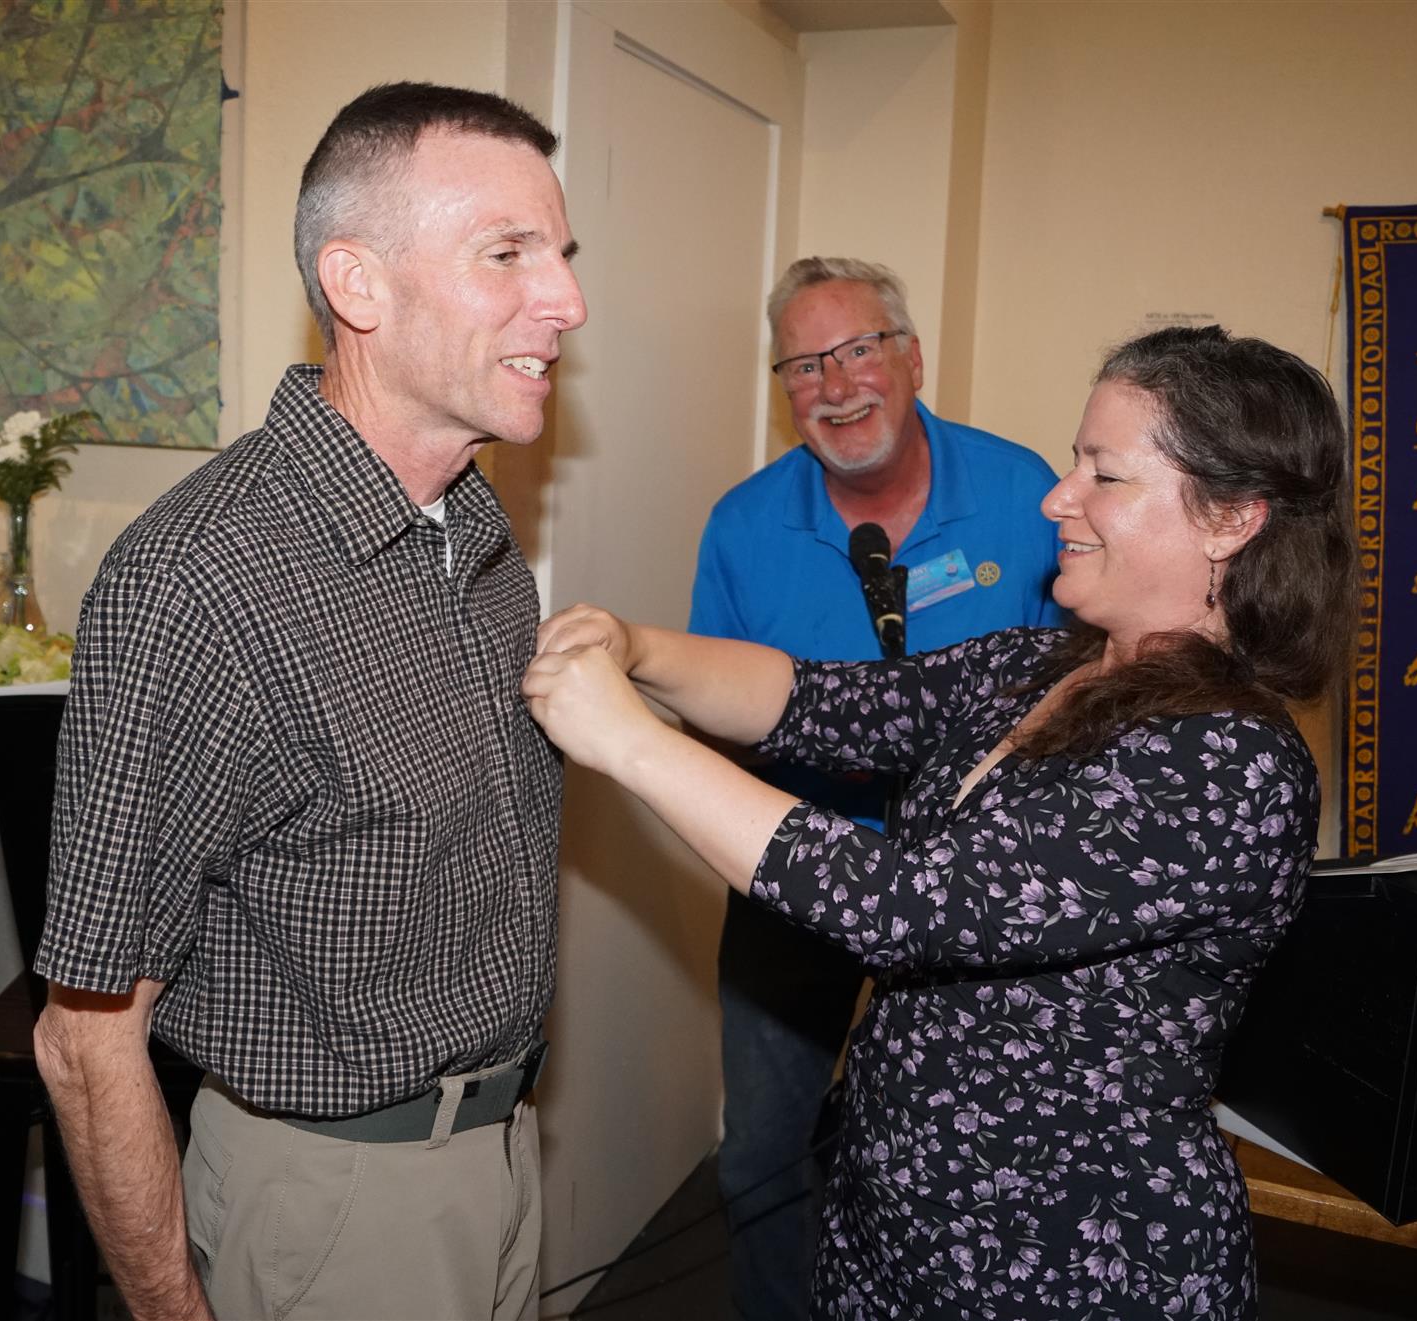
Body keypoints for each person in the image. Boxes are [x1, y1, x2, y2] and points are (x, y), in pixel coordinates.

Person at [525, 325, 1356, 1319]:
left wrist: (629, 743)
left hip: (1064, 1262)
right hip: (895, 1233)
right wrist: (638, 646)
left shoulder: (1229, 761)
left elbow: (906, 907)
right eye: (1074, 463)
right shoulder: (1034, 667)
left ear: (1230, 519)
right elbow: (814, 699)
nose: (1058, 498)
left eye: (1104, 475)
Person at [32, 82, 586, 1321]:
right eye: (509, 254)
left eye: (561, 254)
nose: (566, 301)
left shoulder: (474, 524)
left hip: (505, 1153)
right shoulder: (199, 580)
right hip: (337, 1205)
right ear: (358, 284)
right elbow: (85, 1035)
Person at [694, 256, 1063, 1318]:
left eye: (859, 349)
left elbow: (1076, 697)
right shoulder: (743, 526)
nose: (837, 383)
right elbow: (717, 723)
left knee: (964, 1159)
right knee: (758, 1155)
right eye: (805, 364)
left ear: (912, 358)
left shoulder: (1024, 493)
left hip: (978, 890)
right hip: (798, 880)